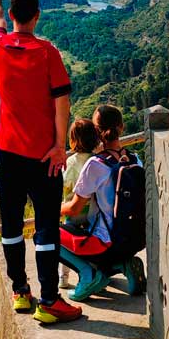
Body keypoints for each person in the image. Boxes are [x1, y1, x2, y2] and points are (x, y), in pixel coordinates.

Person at [0, 0, 82, 324]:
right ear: (37, 16)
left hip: (6, 151)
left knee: (11, 223)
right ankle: (50, 300)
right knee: (46, 227)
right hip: (42, 155)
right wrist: (60, 146)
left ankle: (20, 292)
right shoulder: (47, 53)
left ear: (13, 15)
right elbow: (62, 103)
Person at [59, 103, 134, 259]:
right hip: (131, 236)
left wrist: (51, 209)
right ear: (121, 127)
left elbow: (74, 209)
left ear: (97, 132)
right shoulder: (134, 160)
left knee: (46, 233)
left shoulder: (95, 165)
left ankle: (88, 273)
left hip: (103, 239)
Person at [62, 118, 99, 233]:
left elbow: (65, 184)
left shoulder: (71, 162)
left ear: (73, 140)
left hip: (74, 216)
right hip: (94, 215)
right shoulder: (98, 160)